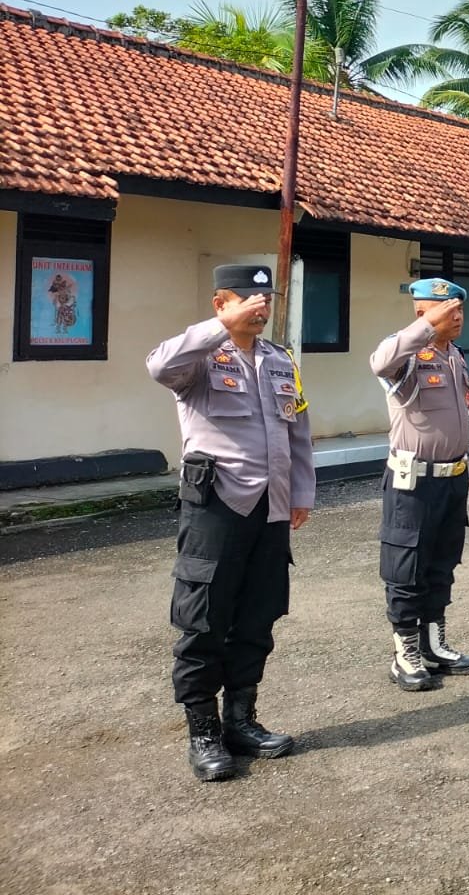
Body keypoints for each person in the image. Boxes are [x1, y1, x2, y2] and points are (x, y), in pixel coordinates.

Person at [147, 265, 313, 782]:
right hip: (217, 507)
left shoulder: (281, 361)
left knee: (258, 617)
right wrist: (221, 327)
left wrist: (302, 492)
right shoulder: (198, 359)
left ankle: (241, 720)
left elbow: (298, 429)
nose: (261, 307)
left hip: (272, 507)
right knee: (203, 620)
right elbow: (159, 365)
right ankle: (203, 732)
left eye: (267, 299)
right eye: (249, 299)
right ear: (221, 303)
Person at [369, 278, 469, 692]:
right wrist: (425, 328)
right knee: (406, 568)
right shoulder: (405, 354)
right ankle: (405, 653)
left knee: (441, 565)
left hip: (453, 478)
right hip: (413, 481)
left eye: (460, 310)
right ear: (423, 313)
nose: (458, 317)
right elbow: (379, 363)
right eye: (449, 311)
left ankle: (434, 644)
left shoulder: (455, 356)